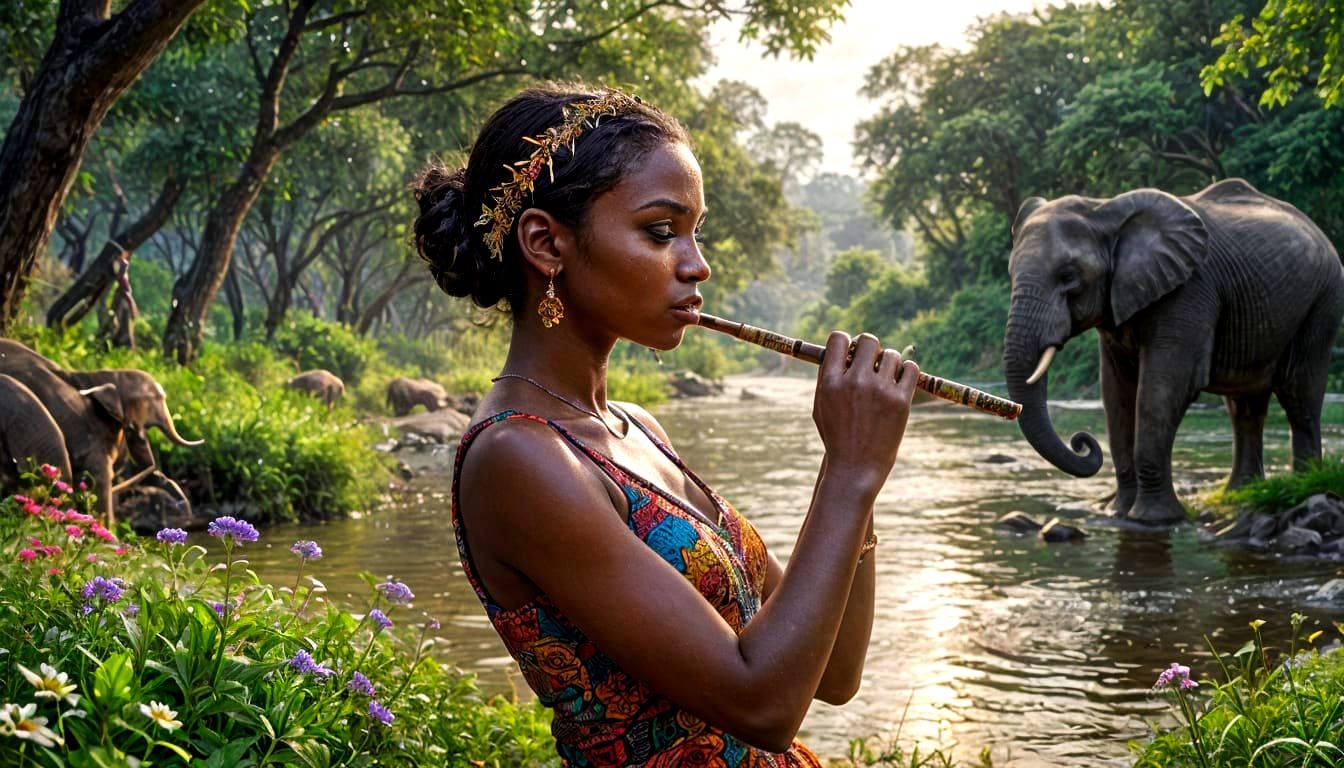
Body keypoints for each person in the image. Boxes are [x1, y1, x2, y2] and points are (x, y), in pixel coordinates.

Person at [414, 83, 920, 766]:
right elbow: (762, 705)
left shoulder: (637, 429)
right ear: (546, 243)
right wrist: (852, 474)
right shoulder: (519, 458)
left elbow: (832, 676)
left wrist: (851, 467)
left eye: (694, 231)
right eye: (661, 232)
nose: (696, 263)